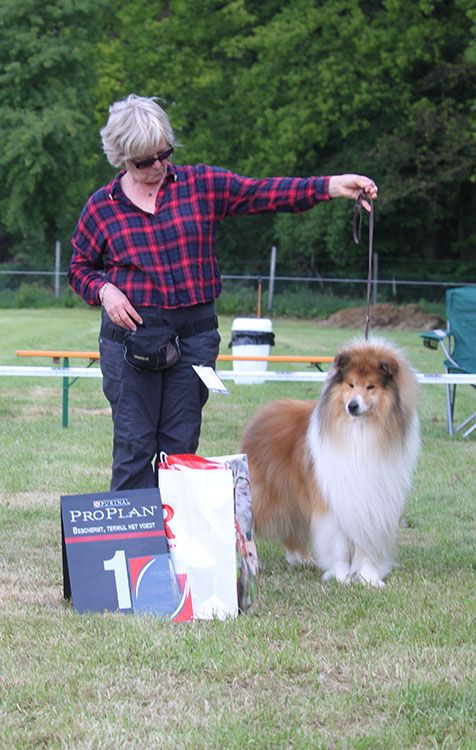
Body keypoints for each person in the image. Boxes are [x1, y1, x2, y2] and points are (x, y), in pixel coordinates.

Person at [68, 93, 378, 491]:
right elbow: (79, 268)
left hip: (192, 338)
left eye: (164, 154)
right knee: (134, 445)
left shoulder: (201, 185)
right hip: (131, 343)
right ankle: (135, 547)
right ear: (122, 158)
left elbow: (266, 193)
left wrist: (333, 186)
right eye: (145, 161)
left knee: (180, 448)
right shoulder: (101, 208)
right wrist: (104, 290)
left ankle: (176, 545)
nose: (159, 166)